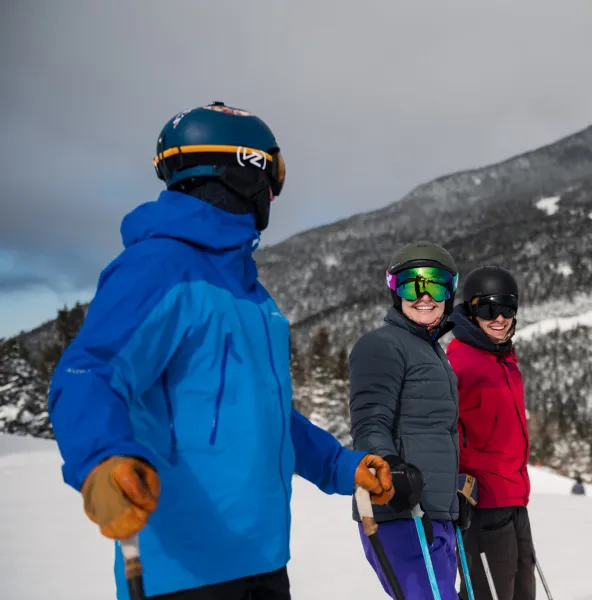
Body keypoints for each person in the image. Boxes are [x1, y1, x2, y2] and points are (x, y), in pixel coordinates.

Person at [46, 102, 394, 600]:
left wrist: (339, 464)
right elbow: (90, 372)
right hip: (184, 573)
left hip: (263, 560)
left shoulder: (252, 294)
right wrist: (103, 458)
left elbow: (265, 413)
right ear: (244, 170)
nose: (273, 194)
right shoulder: (159, 266)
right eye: (273, 177)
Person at [348, 241, 465, 599]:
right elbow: (368, 423)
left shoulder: (433, 352)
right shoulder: (381, 345)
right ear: (395, 291)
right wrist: (392, 470)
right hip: (400, 509)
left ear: (450, 292)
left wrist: (450, 500)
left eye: (436, 285)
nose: (425, 296)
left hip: (433, 512)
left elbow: (436, 434)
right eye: (412, 285)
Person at [447, 265, 536, 600]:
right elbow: (441, 432)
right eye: (488, 309)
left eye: (507, 308)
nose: (499, 318)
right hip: (481, 505)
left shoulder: (504, 360)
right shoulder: (458, 365)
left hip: (515, 499)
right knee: (487, 594)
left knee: (522, 592)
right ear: (471, 311)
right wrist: (453, 486)